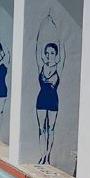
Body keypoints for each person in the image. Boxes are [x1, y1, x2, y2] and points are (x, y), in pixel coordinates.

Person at [35, 14, 64, 165]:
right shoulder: (41, 66)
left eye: (52, 53)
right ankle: (42, 155)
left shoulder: (58, 68)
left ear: (56, 55)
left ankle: (48, 156)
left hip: (53, 100)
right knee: (41, 129)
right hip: (41, 99)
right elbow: (37, 50)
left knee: (50, 128)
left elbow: (64, 54)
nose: (49, 55)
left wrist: (58, 31)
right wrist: (41, 27)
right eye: (47, 53)